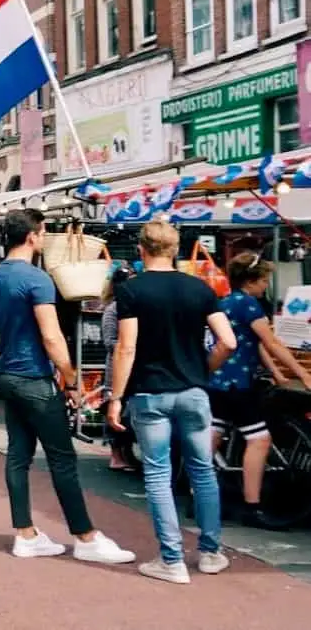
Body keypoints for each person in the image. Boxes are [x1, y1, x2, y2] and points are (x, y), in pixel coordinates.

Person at [0, 208, 134, 565]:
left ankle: (26, 534)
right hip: (35, 377)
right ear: (34, 236)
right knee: (62, 458)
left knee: (18, 454)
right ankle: (85, 536)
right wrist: (70, 376)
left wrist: (5, 359)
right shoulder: (37, 280)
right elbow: (50, 335)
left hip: (7, 374)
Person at [108, 221, 236, 582]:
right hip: (193, 391)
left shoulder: (131, 290)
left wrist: (115, 397)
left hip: (150, 393)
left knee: (158, 474)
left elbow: (126, 347)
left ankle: (172, 560)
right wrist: (202, 369)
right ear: (175, 249)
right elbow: (228, 341)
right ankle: (211, 553)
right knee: (203, 471)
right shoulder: (199, 288)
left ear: (141, 250)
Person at [209, 252, 311, 529]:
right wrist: (302, 372)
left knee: (211, 437)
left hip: (216, 380)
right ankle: (252, 505)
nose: (266, 285)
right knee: (259, 440)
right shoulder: (250, 306)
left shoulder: (224, 303)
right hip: (238, 383)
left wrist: (277, 373)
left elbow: (253, 344)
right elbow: (272, 343)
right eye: (264, 279)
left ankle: (202, 498)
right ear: (251, 280)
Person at [92, 266, 138, 471]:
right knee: (115, 409)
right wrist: (127, 345)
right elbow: (109, 342)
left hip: (134, 363)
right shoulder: (112, 309)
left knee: (127, 410)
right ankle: (116, 454)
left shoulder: (133, 305)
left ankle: (126, 452)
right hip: (117, 366)